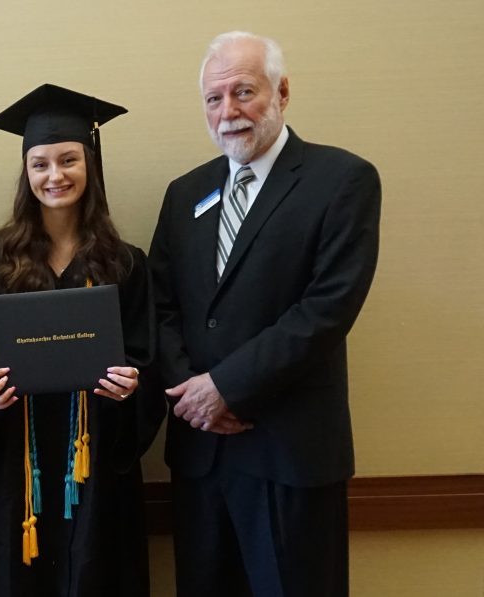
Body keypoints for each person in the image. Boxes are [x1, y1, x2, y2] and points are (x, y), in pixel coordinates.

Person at [149, 31, 382, 597]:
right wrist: (193, 393)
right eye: (213, 98)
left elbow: (326, 310)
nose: (228, 112)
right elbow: (159, 305)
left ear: (281, 92)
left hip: (289, 452)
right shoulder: (186, 193)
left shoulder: (342, 180)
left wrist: (226, 388)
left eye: (243, 92)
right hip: (202, 455)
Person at [0, 83, 164, 597]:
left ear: (90, 164)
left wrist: (132, 384)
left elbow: (147, 358)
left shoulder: (126, 262)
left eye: (68, 160)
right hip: (14, 468)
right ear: (26, 174)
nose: (55, 176)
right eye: (41, 164)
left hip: (95, 466)